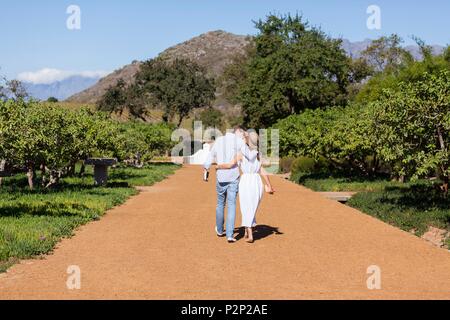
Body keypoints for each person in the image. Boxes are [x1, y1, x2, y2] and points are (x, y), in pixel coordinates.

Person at [216, 131, 275, 243]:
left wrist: (218, 166)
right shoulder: (258, 154)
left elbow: (230, 165)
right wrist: (269, 185)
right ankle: (248, 231)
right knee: (252, 207)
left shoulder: (241, 153)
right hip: (257, 181)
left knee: (246, 207)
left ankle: (250, 233)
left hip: (246, 181)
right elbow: (262, 171)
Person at [203, 126, 258, 243]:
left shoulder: (219, 140)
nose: (243, 136)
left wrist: (206, 169)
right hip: (233, 176)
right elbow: (250, 155)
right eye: (242, 134)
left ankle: (219, 229)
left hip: (221, 176)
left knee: (220, 203)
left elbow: (211, 155)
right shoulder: (239, 142)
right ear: (238, 132)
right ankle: (230, 235)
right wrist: (257, 152)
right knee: (232, 204)